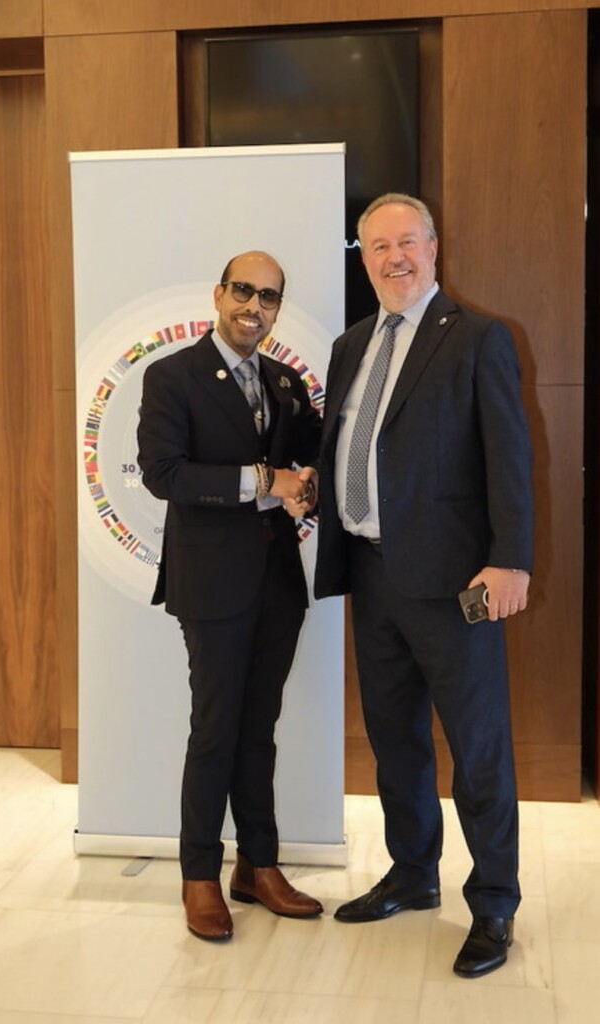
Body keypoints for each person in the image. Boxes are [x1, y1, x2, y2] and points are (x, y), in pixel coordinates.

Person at [311, 193, 533, 978]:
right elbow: (356, 446)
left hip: (455, 585)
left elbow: (508, 456)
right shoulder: (349, 346)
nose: (393, 257)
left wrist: (510, 560)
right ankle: (412, 874)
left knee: (477, 749)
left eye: (406, 241)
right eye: (377, 246)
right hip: (370, 575)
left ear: (433, 248)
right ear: (363, 258)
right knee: (394, 740)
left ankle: (494, 903)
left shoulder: (476, 337)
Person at [137, 250, 323, 942]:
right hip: (211, 583)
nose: (254, 306)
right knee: (215, 730)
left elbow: (315, 451)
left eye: (268, 297)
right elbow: (164, 474)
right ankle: (198, 877)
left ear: (277, 309)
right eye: (244, 291)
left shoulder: (284, 381)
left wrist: (307, 480)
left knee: (258, 730)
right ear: (218, 294)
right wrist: (266, 481)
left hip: (278, 581)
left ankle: (258, 866)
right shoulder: (172, 376)